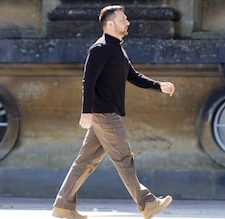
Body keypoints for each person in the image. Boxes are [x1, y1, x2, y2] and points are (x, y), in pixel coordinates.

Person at [52, 5, 175, 219]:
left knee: (85, 161)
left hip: (107, 113)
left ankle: (64, 205)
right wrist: (86, 112)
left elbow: (133, 76)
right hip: (104, 114)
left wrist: (159, 86)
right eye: (123, 19)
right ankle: (146, 202)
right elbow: (88, 81)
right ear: (110, 24)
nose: (127, 22)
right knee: (123, 157)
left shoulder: (117, 49)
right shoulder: (99, 49)